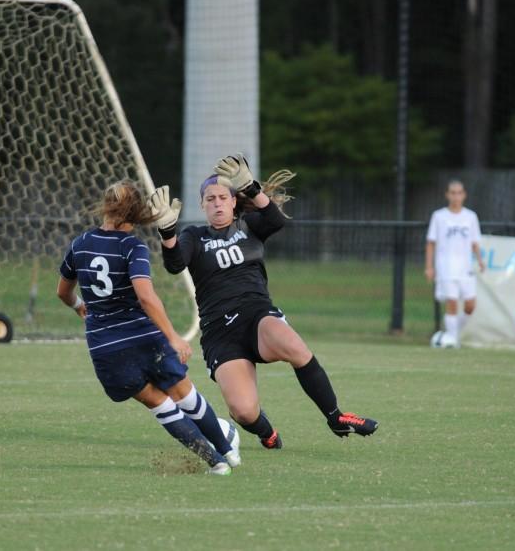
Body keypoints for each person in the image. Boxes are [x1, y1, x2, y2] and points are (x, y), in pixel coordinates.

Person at [147, 154, 378, 449]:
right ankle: (266, 431)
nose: (217, 203)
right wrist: (167, 233)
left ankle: (336, 416)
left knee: (295, 347)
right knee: (243, 411)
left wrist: (252, 189)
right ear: (202, 205)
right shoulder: (194, 236)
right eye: (210, 199)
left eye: (222, 197)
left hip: (257, 314)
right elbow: (175, 264)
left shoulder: (249, 225)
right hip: (220, 332)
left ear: (233, 202)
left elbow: (276, 220)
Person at [57, 180, 239, 475]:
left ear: (106, 207)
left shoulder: (80, 244)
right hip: (145, 339)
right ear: (138, 212)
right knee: (186, 396)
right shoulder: (133, 247)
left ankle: (216, 463)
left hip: (106, 349)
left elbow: (62, 292)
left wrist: (79, 305)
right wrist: (174, 337)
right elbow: (145, 295)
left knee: (159, 405)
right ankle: (229, 452)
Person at [425, 179, 485, 347]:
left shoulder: (470, 216)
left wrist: (480, 260)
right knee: (451, 302)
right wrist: (429, 267)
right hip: (446, 267)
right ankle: (452, 339)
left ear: (464, 195)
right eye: (453, 193)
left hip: (465, 268)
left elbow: (474, 242)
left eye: (459, 193)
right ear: (447, 195)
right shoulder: (439, 216)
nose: (456, 196)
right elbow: (431, 242)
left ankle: (451, 334)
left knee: (470, 305)